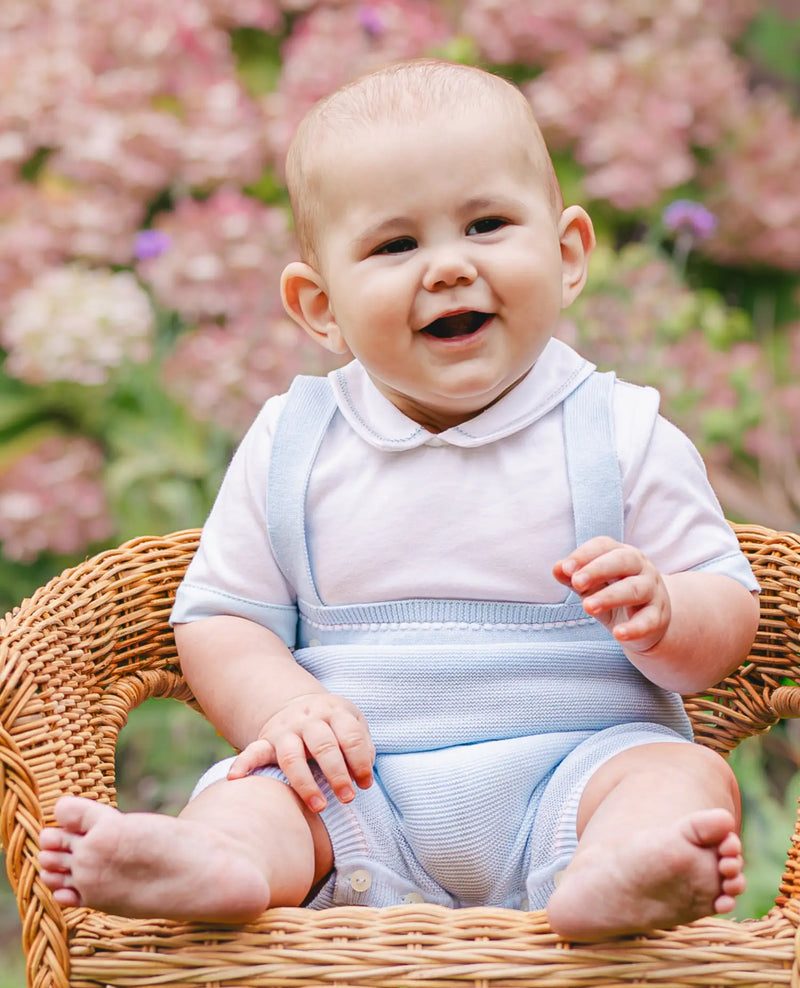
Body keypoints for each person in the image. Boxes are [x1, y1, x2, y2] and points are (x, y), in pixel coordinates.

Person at [38, 58, 759, 942]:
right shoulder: (293, 442)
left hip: (578, 768)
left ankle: (618, 874)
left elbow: (727, 619)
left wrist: (667, 611)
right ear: (320, 305)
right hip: (354, 792)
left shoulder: (622, 432)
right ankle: (217, 864)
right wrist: (282, 707)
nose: (450, 267)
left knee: (679, 779)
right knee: (254, 797)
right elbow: (222, 617)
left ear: (568, 254)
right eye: (395, 245)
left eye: (487, 224)